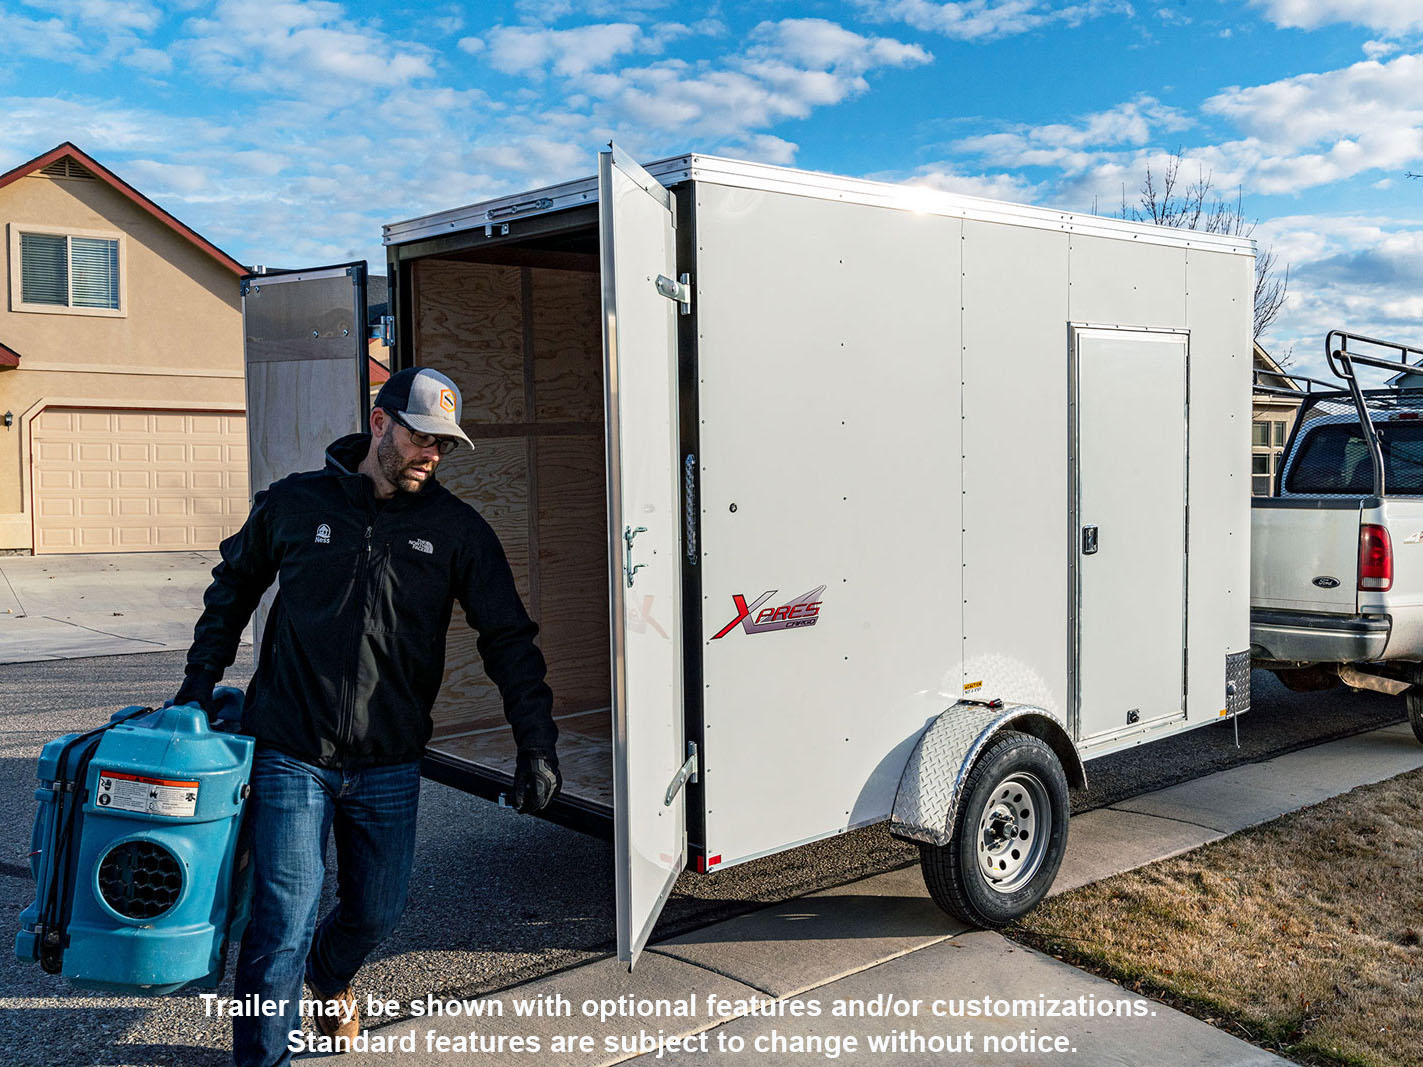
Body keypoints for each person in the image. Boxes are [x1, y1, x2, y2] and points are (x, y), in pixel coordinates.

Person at [175, 366, 560, 1067]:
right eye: (421, 437)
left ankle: (330, 975)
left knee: (375, 913)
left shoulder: (455, 531)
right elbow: (232, 587)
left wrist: (536, 742)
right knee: (279, 921)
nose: (431, 455)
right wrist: (199, 682)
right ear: (380, 423)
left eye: (444, 445)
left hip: (388, 759)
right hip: (291, 747)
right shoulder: (293, 504)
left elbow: (508, 637)